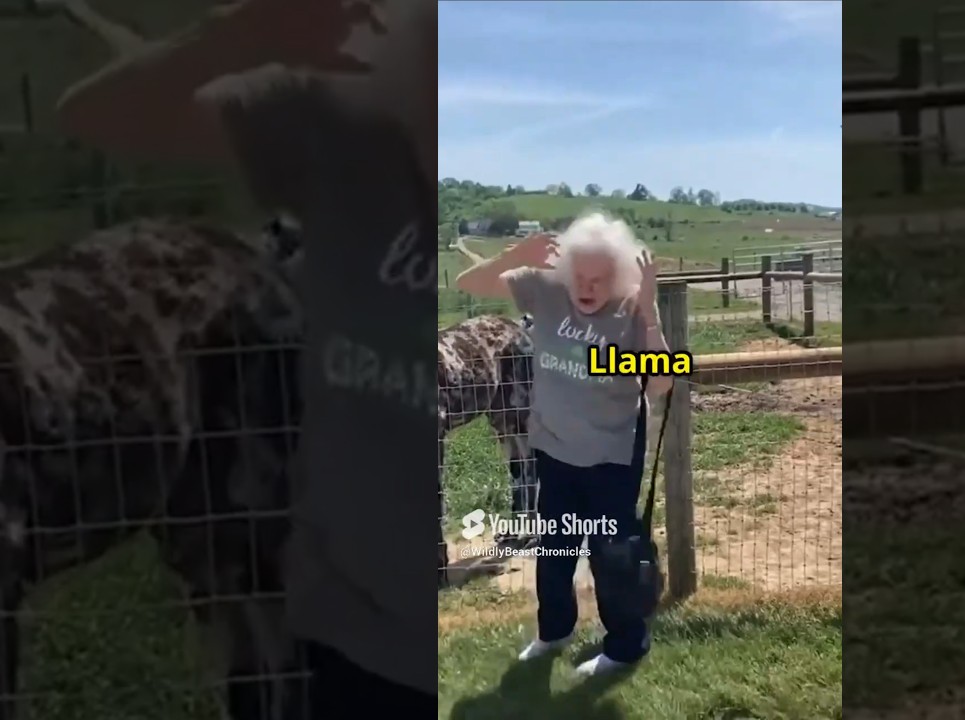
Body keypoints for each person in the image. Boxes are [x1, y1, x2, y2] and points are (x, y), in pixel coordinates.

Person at [55, 0, 436, 716]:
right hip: (353, 637)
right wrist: (234, 36)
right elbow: (95, 114)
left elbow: (655, 358)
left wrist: (655, 373)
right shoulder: (334, 107)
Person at [455, 213, 675, 676]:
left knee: (610, 555)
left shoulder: (630, 310)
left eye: (599, 279)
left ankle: (625, 646)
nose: (587, 287)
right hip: (553, 449)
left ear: (616, 278)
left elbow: (660, 384)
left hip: (611, 456)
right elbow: (468, 282)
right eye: (580, 276)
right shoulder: (547, 290)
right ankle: (554, 631)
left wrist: (650, 312)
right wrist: (515, 255)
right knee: (554, 553)